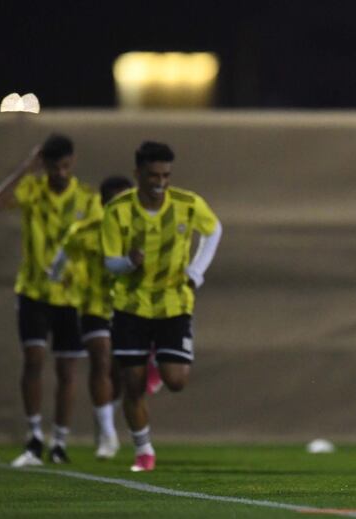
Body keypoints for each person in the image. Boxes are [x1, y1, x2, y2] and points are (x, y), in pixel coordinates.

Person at [102, 141, 222, 472]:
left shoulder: (187, 203)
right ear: (138, 173)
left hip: (173, 303)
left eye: (166, 175)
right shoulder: (118, 210)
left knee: (177, 380)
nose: (160, 182)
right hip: (131, 305)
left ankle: (157, 363)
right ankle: (144, 451)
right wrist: (128, 262)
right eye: (153, 175)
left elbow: (214, 231)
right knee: (132, 386)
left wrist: (196, 272)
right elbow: (110, 262)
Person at [0, 134, 101, 466]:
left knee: (68, 369)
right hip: (34, 291)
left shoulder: (86, 199)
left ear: (73, 162)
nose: (61, 172)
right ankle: (35, 436)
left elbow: (96, 241)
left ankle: (60, 442)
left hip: (70, 295)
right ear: (46, 164)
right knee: (34, 360)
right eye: (55, 166)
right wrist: (27, 166)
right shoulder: (33, 190)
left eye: (66, 165)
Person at [50, 175, 134, 460]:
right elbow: (60, 260)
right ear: (103, 203)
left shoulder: (140, 231)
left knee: (122, 371)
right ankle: (108, 434)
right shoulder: (85, 231)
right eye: (115, 201)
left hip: (128, 307)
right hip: (94, 306)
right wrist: (59, 278)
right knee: (100, 359)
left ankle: (106, 418)